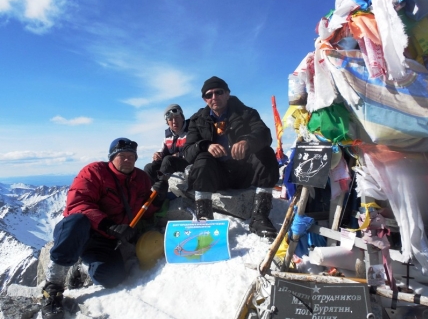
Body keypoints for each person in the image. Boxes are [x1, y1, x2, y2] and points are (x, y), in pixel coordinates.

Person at [41, 138, 168, 319]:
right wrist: (109, 226)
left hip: (107, 241)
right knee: (77, 221)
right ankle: (52, 288)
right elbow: (77, 204)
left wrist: (160, 198)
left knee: (112, 277)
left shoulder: (140, 179)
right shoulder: (94, 172)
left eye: (131, 156)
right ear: (111, 157)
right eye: (122, 156)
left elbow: (145, 212)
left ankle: (81, 268)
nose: (127, 160)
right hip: (85, 232)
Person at [183, 76, 279, 238]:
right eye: (209, 95)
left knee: (265, 152)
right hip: (217, 177)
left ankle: (260, 216)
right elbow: (187, 152)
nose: (214, 97)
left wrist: (247, 142)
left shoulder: (247, 113)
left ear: (227, 93)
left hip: (244, 173)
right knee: (202, 159)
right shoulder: (197, 120)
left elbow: (264, 134)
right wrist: (205, 145)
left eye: (219, 92)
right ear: (204, 100)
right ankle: (204, 218)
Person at [144, 104, 190, 184]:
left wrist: (178, 155)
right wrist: (157, 155)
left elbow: (194, 150)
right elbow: (162, 152)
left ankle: (159, 189)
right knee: (149, 167)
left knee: (168, 160)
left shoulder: (191, 131)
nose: (174, 121)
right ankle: (146, 191)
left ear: (182, 118)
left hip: (188, 164)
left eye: (177, 117)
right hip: (171, 165)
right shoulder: (168, 136)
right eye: (171, 119)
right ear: (167, 122)